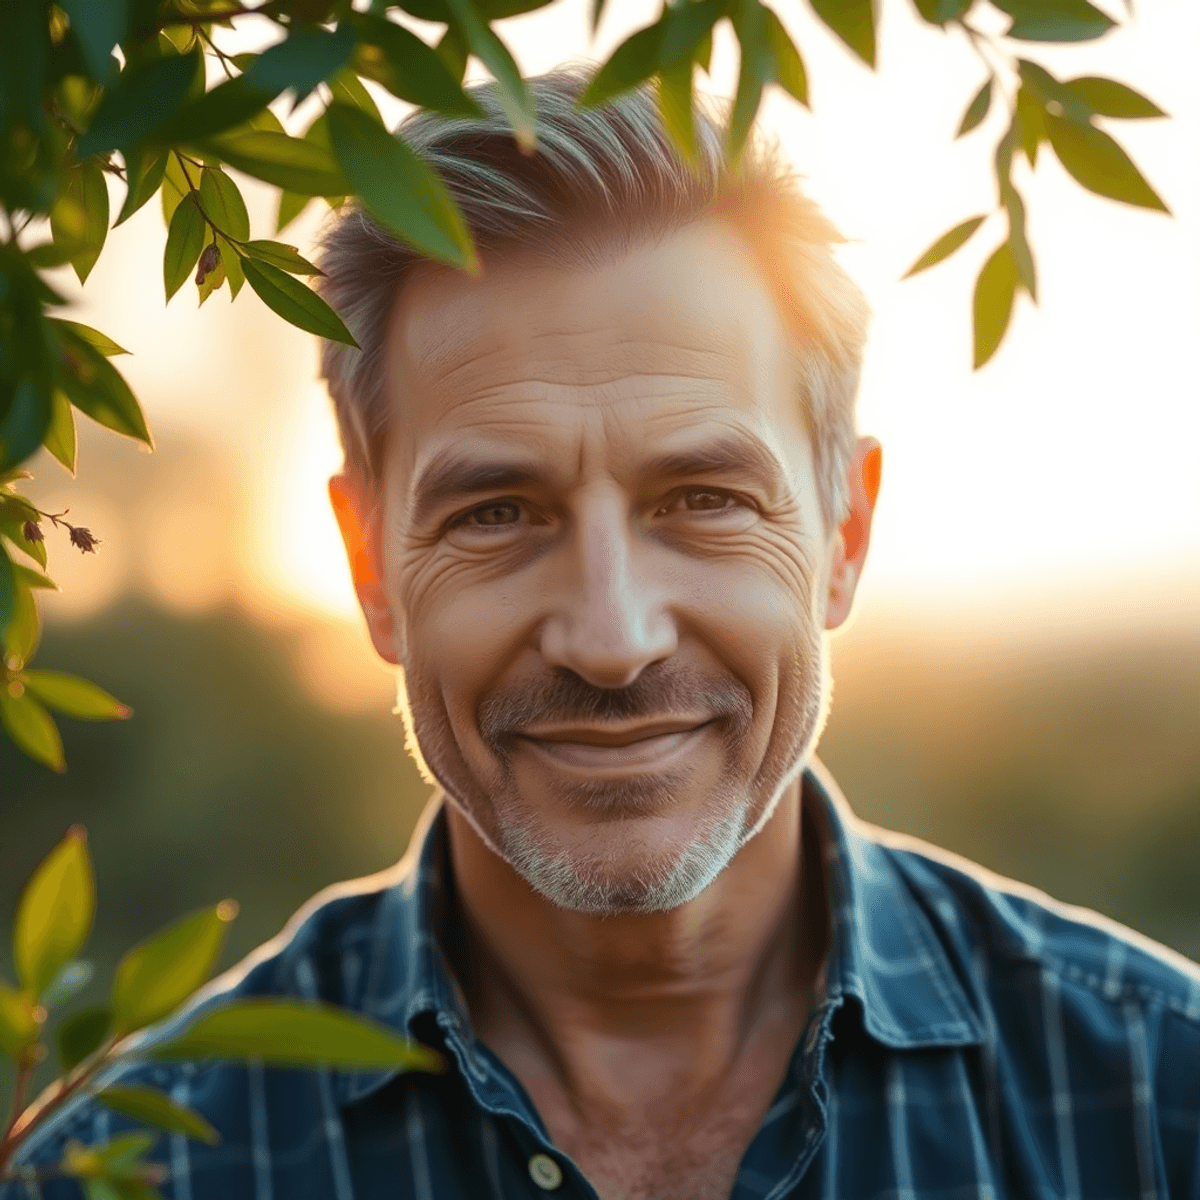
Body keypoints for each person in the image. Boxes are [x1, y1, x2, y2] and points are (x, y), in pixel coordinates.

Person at [9, 68, 1200, 1200]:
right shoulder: (125, 1169)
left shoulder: (1160, 1100)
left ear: (844, 531)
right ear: (372, 566)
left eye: (704, 500)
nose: (611, 638)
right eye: (498, 512)